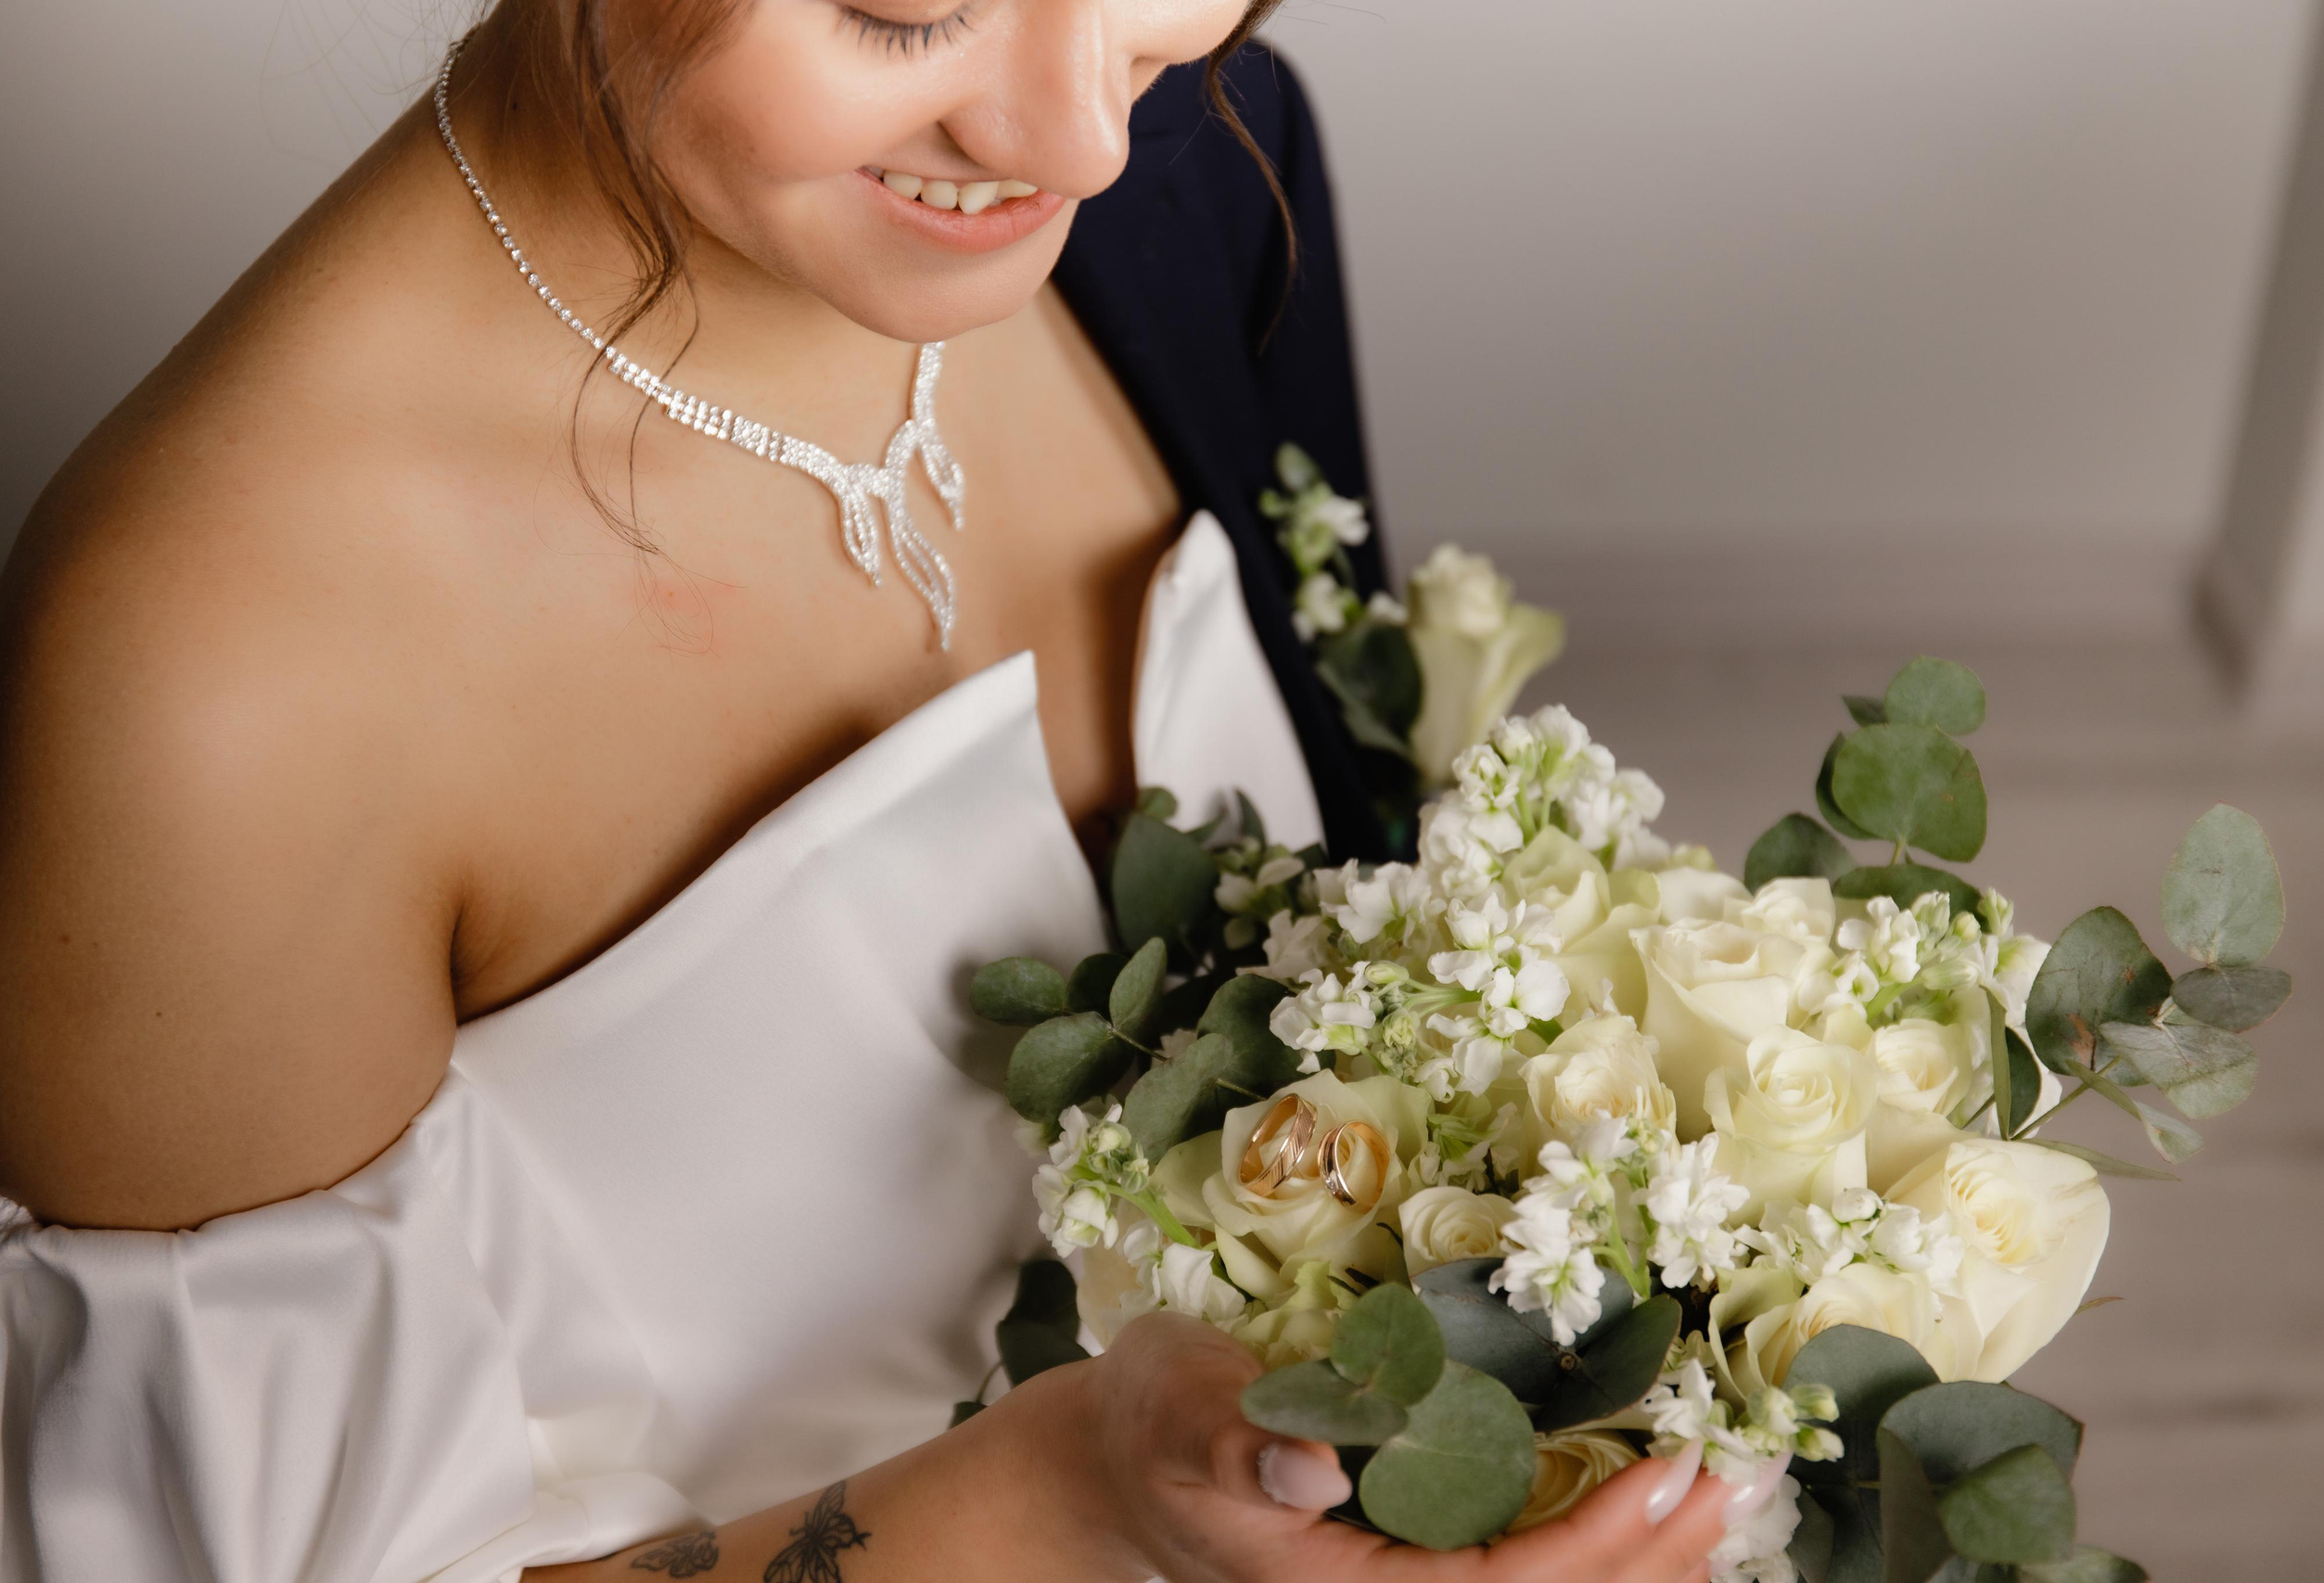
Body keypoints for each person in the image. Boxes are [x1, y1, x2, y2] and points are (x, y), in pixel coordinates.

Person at [0, 4, 1737, 1578]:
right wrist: (1059, 1498)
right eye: (912, 11)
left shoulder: (1214, 166)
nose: (1083, 142)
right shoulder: (219, 670)